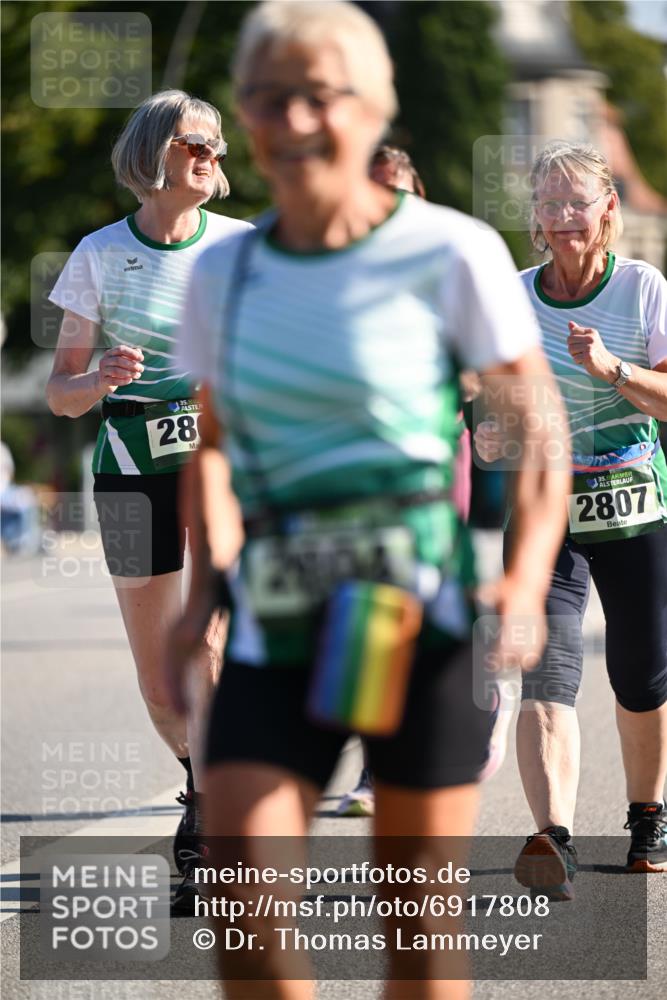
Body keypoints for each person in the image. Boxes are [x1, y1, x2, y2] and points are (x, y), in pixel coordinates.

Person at [168, 3, 569, 996]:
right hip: (278, 627)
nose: (291, 119)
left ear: (371, 108)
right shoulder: (225, 271)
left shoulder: (450, 251)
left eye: (318, 95)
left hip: (417, 628)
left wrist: (521, 584)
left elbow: (541, 432)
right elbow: (213, 449)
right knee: (247, 926)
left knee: (419, 946)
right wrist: (200, 598)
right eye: (267, 98)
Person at [45, 89, 253, 912]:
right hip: (128, 464)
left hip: (219, 456)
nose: (211, 156)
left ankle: (208, 827)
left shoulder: (242, 248)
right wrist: (95, 379)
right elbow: (62, 393)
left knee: (205, 637)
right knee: (162, 686)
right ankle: (201, 775)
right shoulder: (98, 254)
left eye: (218, 145)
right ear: (153, 153)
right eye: (196, 142)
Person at [476, 141, 667, 894]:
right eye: (546, 205)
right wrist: (485, 426)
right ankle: (551, 837)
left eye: (574, 204)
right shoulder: (513, 296)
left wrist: (611, 371)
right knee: (546, 674)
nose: (560, 219)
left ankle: (646, 815)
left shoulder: (643, 288)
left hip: (631, 504)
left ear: (606, 210)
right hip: (543, 508)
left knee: (639, 678)